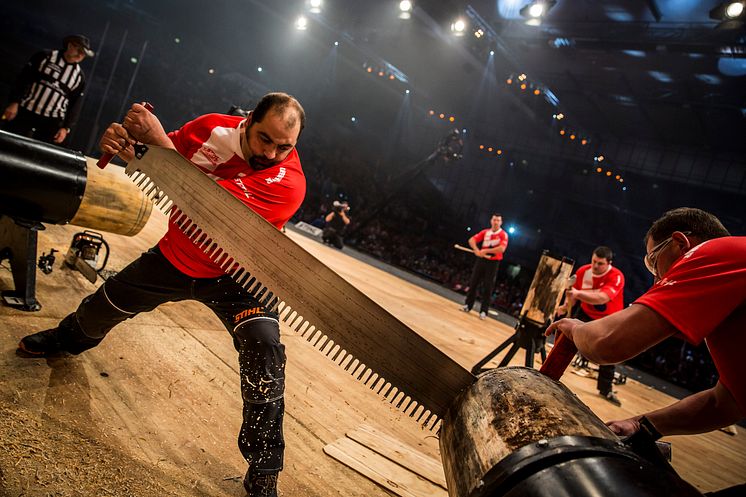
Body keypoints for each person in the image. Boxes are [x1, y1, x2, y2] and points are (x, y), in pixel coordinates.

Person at [17, 92, 307, 497]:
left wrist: (160, 148)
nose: (272, 153)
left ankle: (264, 467)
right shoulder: (210, 127)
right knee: (105, 307)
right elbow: (153, 156)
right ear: (247, 122)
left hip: (238, 277)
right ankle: (66, 339)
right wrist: (127, 145)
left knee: (265, 351)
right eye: (265, 139)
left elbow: (211, 209)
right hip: (177, 256)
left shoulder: (290, 182)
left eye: (284, 146)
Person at [547, 207, 745, 496]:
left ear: (680, 243)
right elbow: (725, 403)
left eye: (654, 263)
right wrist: (643, 426)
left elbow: (608, 343)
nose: (656, 280)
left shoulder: (714, 252)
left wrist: (575, 328)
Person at [556, 246, 625, 406]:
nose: (595, 266)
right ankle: (552, 371)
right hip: (586, 313)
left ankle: (605, 389)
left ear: (609, 263)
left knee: (610, 354)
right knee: (566, 337)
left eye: (600, 263)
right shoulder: (583, 271)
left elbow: (602, 298)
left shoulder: (617, 276)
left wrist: (578, 294)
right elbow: (572, 295)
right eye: (594, 261)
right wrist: (566, 306)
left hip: (610, 318)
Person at [2, 34, 93, 144]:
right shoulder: (45, 56)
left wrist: (66, 128)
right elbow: (23, 79)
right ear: (70, 45)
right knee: (9, 143)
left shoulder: (79, 76)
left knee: (39, 155)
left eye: (84, 53)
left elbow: (75, 104)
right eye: (79, 50)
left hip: (51, 121)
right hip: (26, 110)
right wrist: (14, 102)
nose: (80, 55)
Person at [461, 213, 509, 319]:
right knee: (473, 282)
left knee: (488, 287)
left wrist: (485, 250)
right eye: (494, 219)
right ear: (491, 220)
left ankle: (483, 311)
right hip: (481, 260)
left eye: (498, 220)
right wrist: (477, 250)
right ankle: (468, 305)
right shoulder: (485, 232)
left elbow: (501, 249)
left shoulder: (503, 234)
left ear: (501, 222)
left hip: (493, 262)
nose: (496, 222)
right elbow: (472, 240)